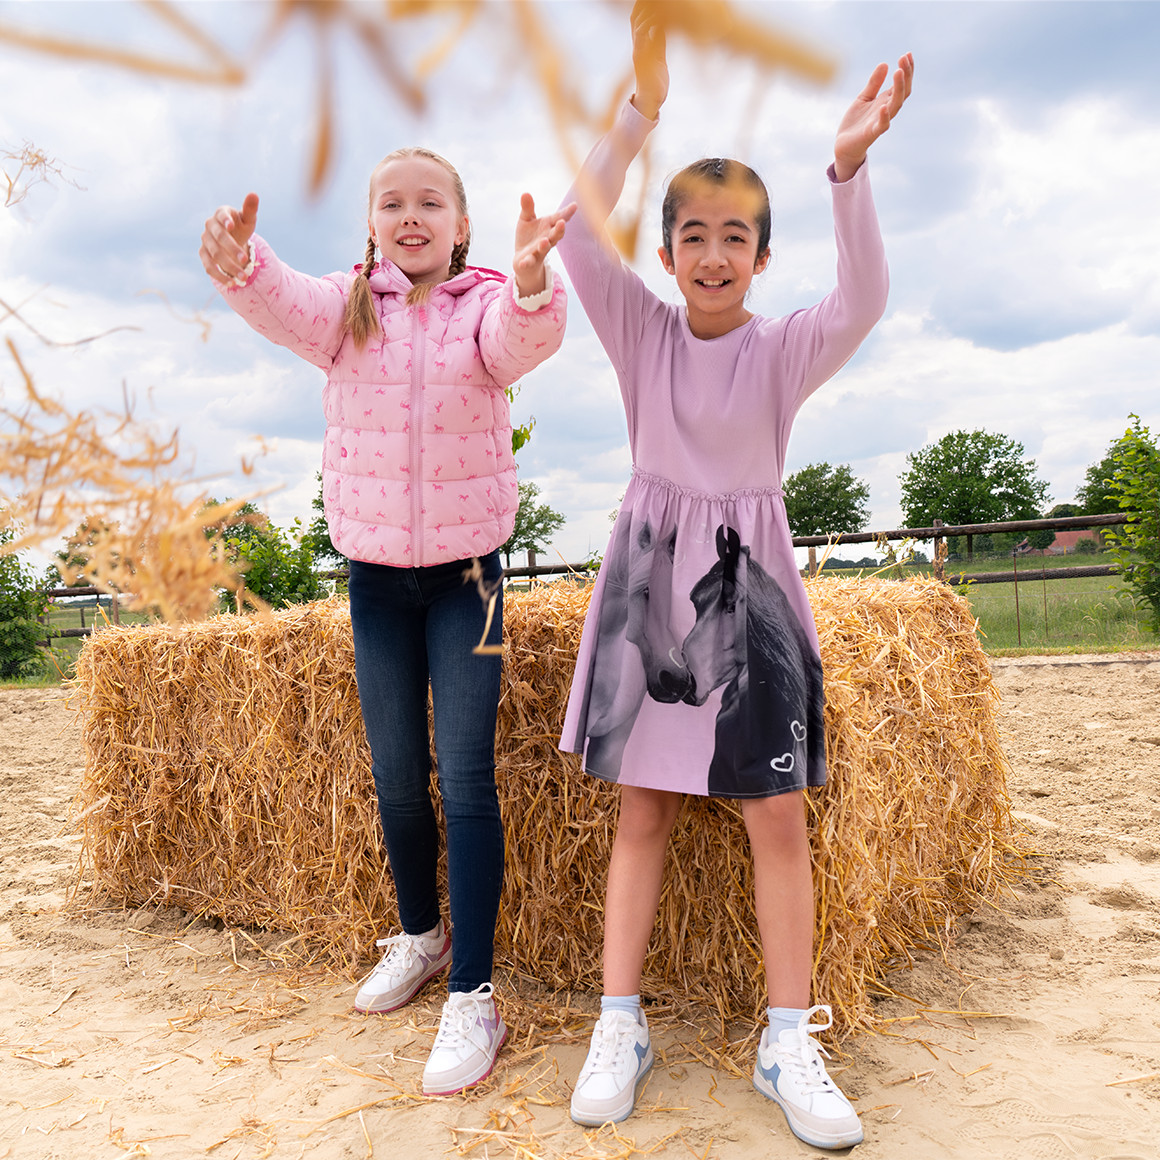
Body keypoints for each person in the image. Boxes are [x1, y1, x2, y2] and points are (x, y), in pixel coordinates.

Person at [556, 6, 913, 1150]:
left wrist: (845, 171)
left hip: (746, 580)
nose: (711, 255)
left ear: (762, 257)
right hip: (649, 579)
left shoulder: (781, 349)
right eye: (692, 235)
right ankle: (620, 1020)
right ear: (664, 255)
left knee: (775, 812)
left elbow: (862, 301)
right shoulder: (639, 331)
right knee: (643, 809)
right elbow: (571, 239)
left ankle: (785, 1035)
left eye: (734, 238)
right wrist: (639, 110)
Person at [199, 148, 574, 1096]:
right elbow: (282, 299)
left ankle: (476, 996)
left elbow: (523, 344)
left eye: (431, 203)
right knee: (399, 776)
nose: (412, 217)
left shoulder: (486, 308)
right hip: (375, 578)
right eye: (393, 204)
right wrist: (245, 264)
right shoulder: (347, 308)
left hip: (471, 582)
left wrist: (533, 285)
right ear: (372, 225)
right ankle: (422, 938)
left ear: (460, 224)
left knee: (467, 776)